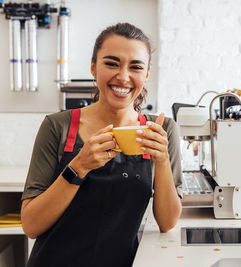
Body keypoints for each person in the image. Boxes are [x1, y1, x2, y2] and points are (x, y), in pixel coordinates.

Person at [21, 23, 182, 267]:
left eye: (136, 67)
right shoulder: (58, 126)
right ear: (94, 68)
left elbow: (168, 221)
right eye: (111, 63)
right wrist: (78, 167)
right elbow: (31, 225)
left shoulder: (162, 130)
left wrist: (161, 160)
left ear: (146, 74)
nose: (123, 76)